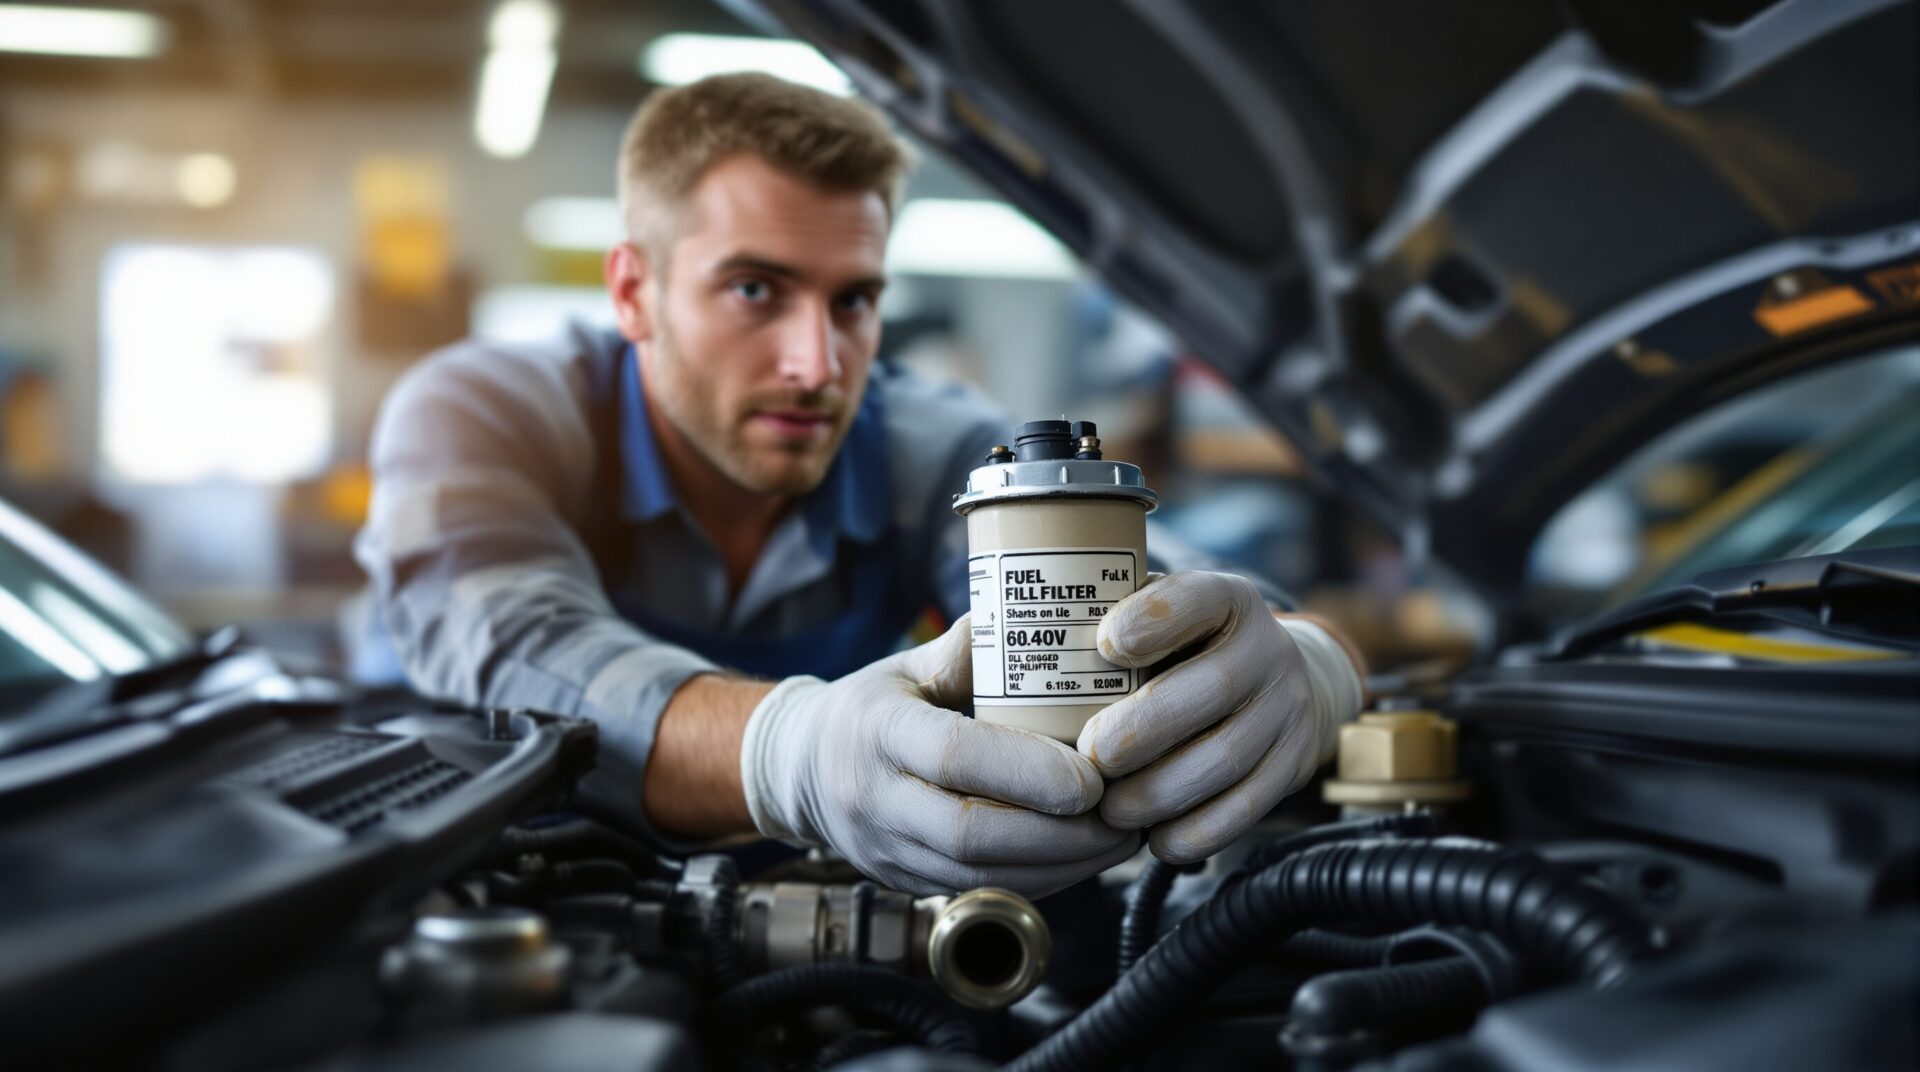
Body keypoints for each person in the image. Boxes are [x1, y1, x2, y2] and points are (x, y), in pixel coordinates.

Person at [355, 73, 1365, 897]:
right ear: (633, 291)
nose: (817, 363)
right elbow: (518, 651)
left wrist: (1306, 664)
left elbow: (1183, 607)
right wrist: (791, 751)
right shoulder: (485, 410)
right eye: (756, 290)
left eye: (854, 300)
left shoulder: (930, 447)